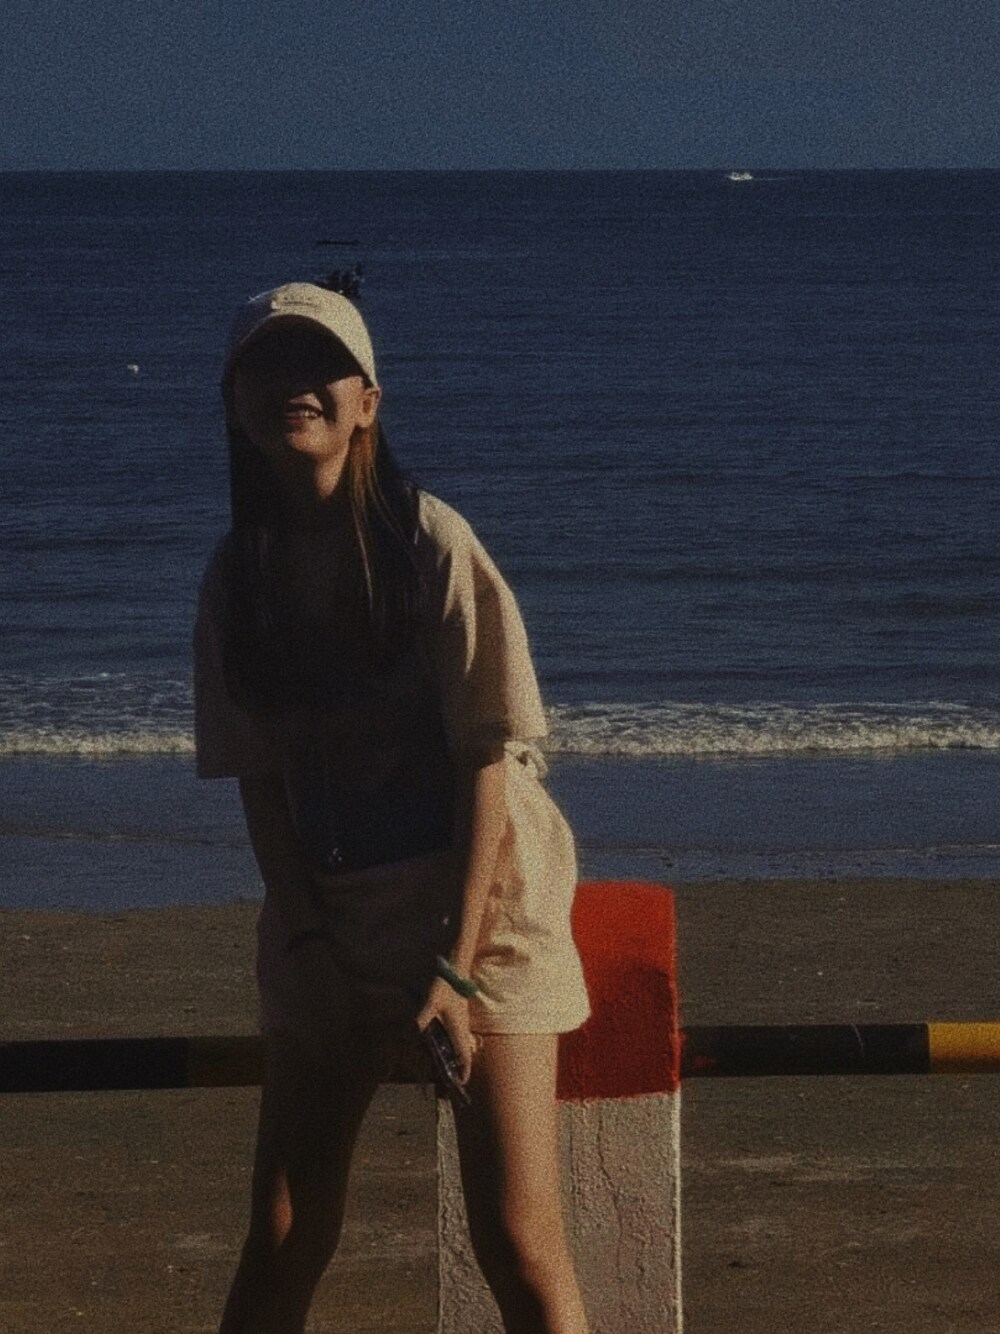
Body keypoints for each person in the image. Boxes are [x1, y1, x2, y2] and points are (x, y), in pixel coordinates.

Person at [194, 281, 592, 1334]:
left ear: (367, 402)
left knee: (517, 1239)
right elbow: (260, 780)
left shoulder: (431, 543)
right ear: (234, 402)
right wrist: (307, 946)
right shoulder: (238, 578)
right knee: (284, 1230)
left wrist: (454, 971)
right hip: (331, 913)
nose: (295, 384)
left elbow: (487, 758)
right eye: (268, 365)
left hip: (485, 908)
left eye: (320, 365)